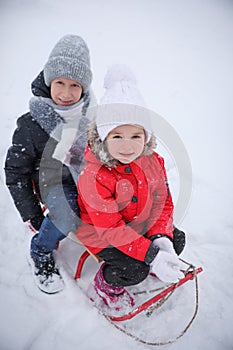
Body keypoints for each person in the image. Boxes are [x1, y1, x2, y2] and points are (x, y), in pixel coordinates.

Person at [76, 64, 186, 312]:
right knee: (135, 268)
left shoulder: (152, 162)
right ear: (103, 137)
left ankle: (155, 258)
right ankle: (106, 285)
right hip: (101, 230)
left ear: (146, 137)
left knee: (177, 240)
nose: (128, 146)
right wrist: (150, 256)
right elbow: (110, 229)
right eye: (117, 136)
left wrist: (160, 238)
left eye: (136, 136)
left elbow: (163, 203)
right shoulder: (94, 175)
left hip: (139, 220)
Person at [4, 34, 95, 294]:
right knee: (68, 209)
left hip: (87, 176)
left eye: (75, 86)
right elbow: (15, 172)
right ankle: (40, 250)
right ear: (49, 81)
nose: (66, 93)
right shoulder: (31, 123)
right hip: (53, 182)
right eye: (60, 83)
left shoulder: (90, 116)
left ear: (84, 89)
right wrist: (32, 213)